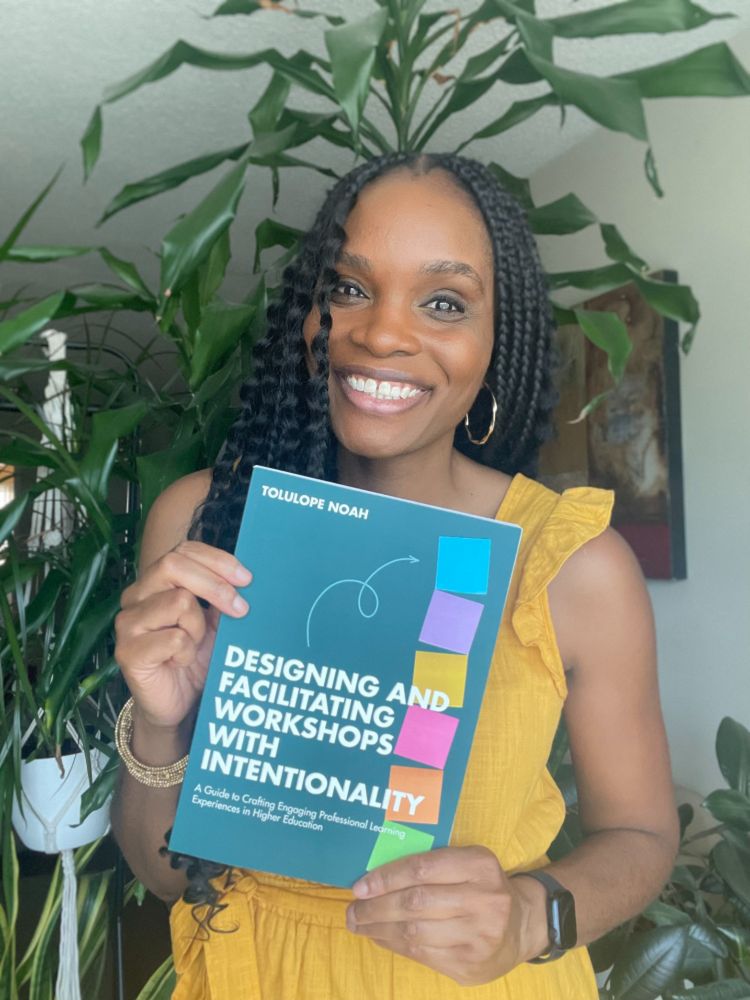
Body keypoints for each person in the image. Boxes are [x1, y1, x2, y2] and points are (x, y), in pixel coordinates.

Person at [112, 152, 679, 999]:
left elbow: (640, 833)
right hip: (250, 970)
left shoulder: (570, 566)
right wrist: (160, 725)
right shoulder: (205, 524)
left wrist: (531, 915)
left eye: (444, 302)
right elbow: (163, 876)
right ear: (309, 316)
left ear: (498, 344)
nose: (380, 332)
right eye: (348, 288)